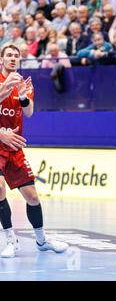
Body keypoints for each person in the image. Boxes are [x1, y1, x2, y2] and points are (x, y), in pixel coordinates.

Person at [0, 45, 69, 258]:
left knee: (32, 197)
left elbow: (28, 112)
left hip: (14, 147)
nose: (12, 58)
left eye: (16, 56)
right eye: (8, 55)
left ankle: (41, 241)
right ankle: (11, 239)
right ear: (1, 59)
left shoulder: (23, 83)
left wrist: (21, 95)